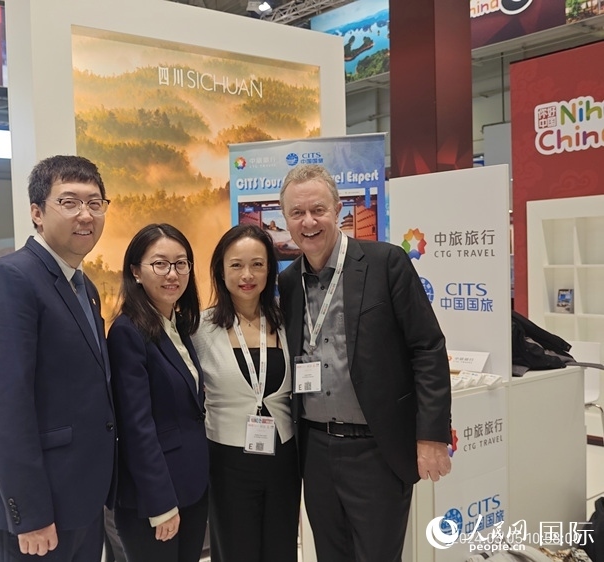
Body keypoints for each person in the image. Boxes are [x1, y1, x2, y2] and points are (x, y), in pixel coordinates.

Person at [277, 164, 452, 562]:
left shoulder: (385, 263)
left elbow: (427, 347)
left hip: (377, 449)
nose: (308, 222)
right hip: (315, 450)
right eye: (297, 213)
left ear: (338, 209)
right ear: (285, 220)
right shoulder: (288, 283)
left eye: (318, 210)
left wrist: (431, 435)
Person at [0, 155, 117, 561]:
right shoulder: (10, 278)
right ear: (37, 213)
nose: (85, 215)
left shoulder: (84, 286)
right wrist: (31, 513)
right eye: (69, 202)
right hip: (40, 510)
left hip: (82, 498)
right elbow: (3, 409)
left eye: (95, 203)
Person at [192, 224, 300, 562]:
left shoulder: (287, 322)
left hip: (283, 457)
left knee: (281, 549)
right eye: (236, 265)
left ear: (270, 269)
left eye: (257, 264)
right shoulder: (199, 329)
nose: (247, 275)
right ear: (221, 271)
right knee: (235, 551)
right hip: (227, 461)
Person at [107, 223, 208, 562]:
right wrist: (161, 503)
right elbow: (137, 427)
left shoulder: (177, 325)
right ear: (136, 271)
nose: (173, 274)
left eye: (181, 263)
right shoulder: (127, 332)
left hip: (191, 484)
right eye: (160, 264)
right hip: (154, 498)